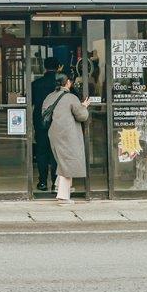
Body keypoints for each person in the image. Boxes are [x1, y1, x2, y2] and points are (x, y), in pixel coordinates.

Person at [44, 72, 89, 203]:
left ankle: (59, 187)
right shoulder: (70, 97)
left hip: (54, 133)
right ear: (68, 82)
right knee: (68, 163)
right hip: (67, 135)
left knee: (61, 161)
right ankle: (63, 196)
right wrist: (84, 107)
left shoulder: (49, 96)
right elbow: (82, 116)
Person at [30, 57, 61, 190]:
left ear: (44, 67)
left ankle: (42, 182)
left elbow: (28, 101)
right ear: (59, 67)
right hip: (58, 121)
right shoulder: (61, 83)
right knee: (56, 151)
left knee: (42, 151)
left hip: (40, 121)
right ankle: (55, 182)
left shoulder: (36, 84)